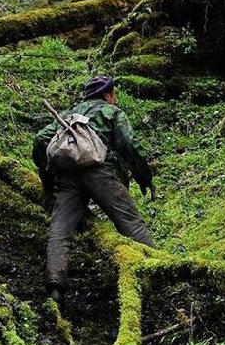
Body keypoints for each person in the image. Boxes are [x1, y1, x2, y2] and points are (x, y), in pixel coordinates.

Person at [33, 76, 156, 303]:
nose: (115, 98)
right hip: (102, 175)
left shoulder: (71, 114)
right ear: (108, 95)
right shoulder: (111, 112)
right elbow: (129, 145)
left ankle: (55, 286)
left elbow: (41, 139)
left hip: (67, 177)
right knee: (131, 224)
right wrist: (144, 178)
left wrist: (48, 179)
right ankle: (155, 272)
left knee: (60, 229)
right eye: (114, 94)